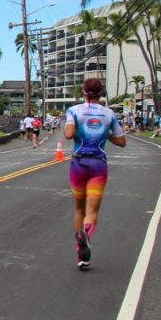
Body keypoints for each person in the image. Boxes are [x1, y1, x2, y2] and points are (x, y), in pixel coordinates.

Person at [64, 77, 126, 269]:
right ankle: (86, 235)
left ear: (83, 92)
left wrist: (77, 130)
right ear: (101, 94)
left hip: (78, 163)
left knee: (79, 209)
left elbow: (68, 134)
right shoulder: (109, 114)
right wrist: (104, 132)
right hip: (98, 164)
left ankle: (80, 252)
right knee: (92, 211)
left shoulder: (74, 111)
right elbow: (122, 142)